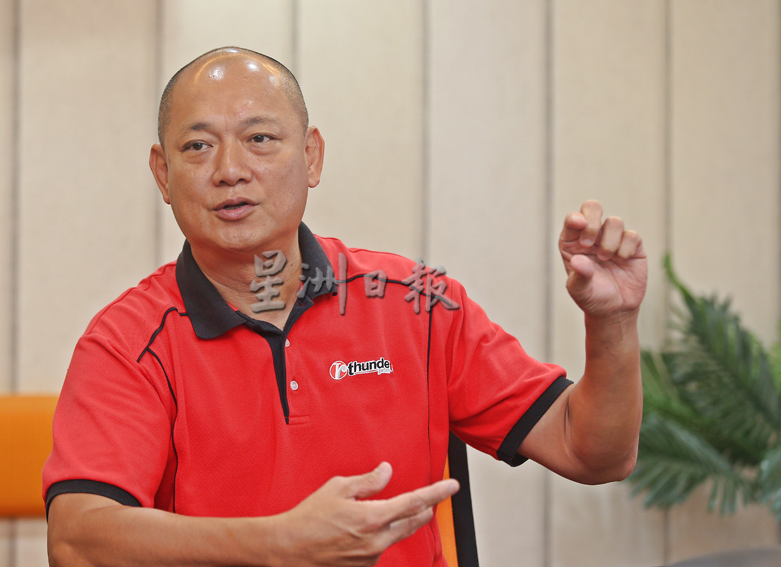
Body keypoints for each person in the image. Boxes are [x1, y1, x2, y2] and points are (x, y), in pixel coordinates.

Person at [43, 46, 647, 567]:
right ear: (162, 173)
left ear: (312, 157)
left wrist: (613, 322)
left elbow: (591, 451)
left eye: (259, 139)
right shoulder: (128, 341)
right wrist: (278, 544)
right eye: (198, 146)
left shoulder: (417, 306)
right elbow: (77, 540)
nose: (230, 171)